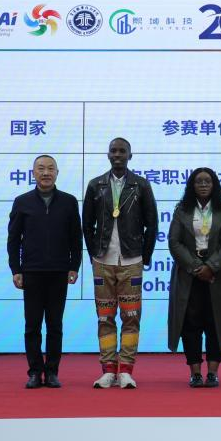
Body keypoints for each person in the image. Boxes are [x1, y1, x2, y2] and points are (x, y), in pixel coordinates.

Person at [82, 137, 158, 389]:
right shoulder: (96, 185)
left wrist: (145, 256)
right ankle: (107, 370)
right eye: (113, 151)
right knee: (104, 317)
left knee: (131, 316)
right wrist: (94, 253)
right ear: (108, 155)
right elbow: (86, 224)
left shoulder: (141, 185)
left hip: (132, 259)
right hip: (102, 260)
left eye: (122, 151)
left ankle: (125, 369)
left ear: (129, 155)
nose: (117, 155)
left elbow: (152, 223)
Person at [7, 154, 82, 389]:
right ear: (33, 173)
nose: (46, 173)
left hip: (59, 271)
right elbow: (13, 239)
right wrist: (16, 269)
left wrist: (74, 265)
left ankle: (51, 372)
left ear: (57, 173)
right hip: (32, 272)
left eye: (50, 168)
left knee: (55, 325)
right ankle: (34, 372)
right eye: (41, 168)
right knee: (32, 325)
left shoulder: (69, 202)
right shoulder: (22, 202)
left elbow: (76, 237)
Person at [167, 168, 221, 387]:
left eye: (207, 181)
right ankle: (195, 373)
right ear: (191, 185)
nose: (203, 185)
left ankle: (212, 372)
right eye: (198, 181)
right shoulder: (182, 210)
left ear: (214, 185)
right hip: (188, 275)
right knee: (190, 323)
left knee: (215, 322)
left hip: (219, 275)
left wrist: (211, 266)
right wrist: (196, 267)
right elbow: (174, 242)